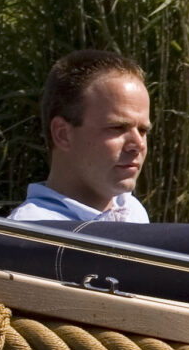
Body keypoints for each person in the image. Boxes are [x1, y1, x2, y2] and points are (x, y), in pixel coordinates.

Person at [10, 49, 153, 225]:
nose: (138, 144)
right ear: (62, 134)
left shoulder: (133, 212)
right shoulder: (31, 232)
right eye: (117, 127)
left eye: (143, 130)